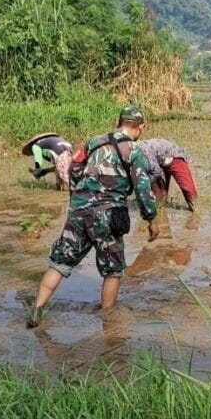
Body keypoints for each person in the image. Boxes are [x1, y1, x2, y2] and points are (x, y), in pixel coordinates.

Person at [27, 106, 159, 328]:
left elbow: (74, 169)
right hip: (108, 214)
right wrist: (152, 219)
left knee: (60, 262)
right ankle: (108, 321)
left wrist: (84, 193)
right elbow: (143, 188)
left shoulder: (93, 142)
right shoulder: (134, 151)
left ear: (118, 122)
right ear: (139, 127)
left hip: (79, 210)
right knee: (113, 270)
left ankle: (37, 310)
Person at [139, 139, 199, 211]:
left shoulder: (142, 152)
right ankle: (160, 214)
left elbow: (155, 172)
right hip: (160, 159)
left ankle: (196, 212)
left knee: (189, 191)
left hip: (174, 156)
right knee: (158, 201)